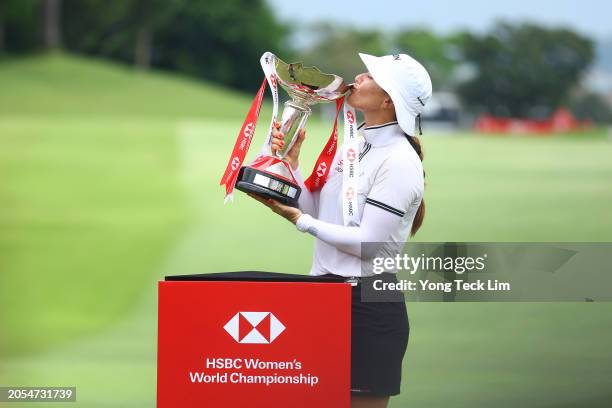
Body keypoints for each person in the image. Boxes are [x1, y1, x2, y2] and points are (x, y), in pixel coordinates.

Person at [249, 52, 432, 408]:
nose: (359, 76)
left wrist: (299, 221)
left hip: (367, 305)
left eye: (373, 75)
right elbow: (320, 213)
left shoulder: (399, 160)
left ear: (387, 101)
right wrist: (292, 166)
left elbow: (368, 245)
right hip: (321, 294)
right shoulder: (353, 142)